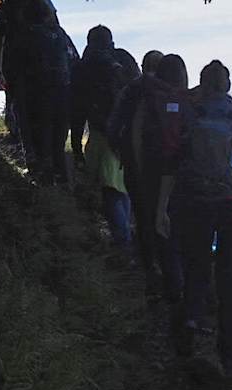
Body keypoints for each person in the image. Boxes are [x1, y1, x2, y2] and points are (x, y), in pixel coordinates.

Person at [159, 59, 232, 374]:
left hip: (194, 201)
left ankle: (189, 336)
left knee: (196, 267)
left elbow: (170, 162)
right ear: (228, 86)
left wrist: (160, 208)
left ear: (202, 85)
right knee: (229, 276)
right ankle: (229, 354)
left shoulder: (189, 118)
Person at [110, 51, 182, 300]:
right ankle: (174, 277)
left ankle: (150, 269)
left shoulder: (131, 90)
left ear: (143, 66)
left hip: (137, 167)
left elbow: (114, 126)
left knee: (142, 218)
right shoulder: (176, 94)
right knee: (168, 220)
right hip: (171, 173)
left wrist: (122, 154)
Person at [0, 0, 76, 185]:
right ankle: (62, 180)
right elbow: (73, 60)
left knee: (38, 136)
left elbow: (13, 66)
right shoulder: (60, 34)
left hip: (35, 94)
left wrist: (5, 80)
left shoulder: (23, 37)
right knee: (57, 141)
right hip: (62, 93)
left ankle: (41, 179)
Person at [71, 25, 137, 246]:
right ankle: (126, 237)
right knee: (121, 188)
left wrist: (76, 146)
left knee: (110, 191)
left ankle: (123, 243)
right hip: (128, 134)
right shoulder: (124, 59)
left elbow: (77, 109)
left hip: (101, 134)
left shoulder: (83, 67)